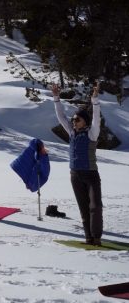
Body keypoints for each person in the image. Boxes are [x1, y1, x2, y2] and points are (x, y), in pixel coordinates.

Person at [51, 83, 103, 245]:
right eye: (73, 119)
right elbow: (61, 117)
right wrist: (56, 97)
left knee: (95, 206)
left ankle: (97, 237)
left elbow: (96, 119)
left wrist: (95, 100)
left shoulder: (92, 133)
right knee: (83, 208)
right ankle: (88, 237)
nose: (73, 121)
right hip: (75, 175)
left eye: (77, 119)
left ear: (85, 121)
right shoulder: (72, 132)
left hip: (91, 175)